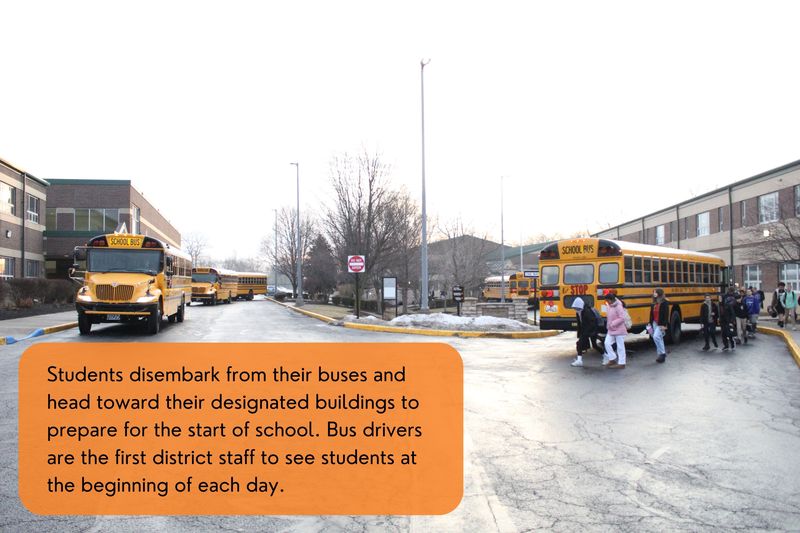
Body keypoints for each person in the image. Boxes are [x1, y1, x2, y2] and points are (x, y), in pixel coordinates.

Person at [569, 297, 600, 367]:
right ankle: (579, 360)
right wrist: (580, 334)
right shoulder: (579, 312)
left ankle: (606, 356)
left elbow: (592, 323)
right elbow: (580, 324)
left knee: (594, 345)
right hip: (585, 331)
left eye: (577, 308)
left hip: (591, 330)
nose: (575, 310)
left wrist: (588, 333)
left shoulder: (587, 312)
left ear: (580, 306)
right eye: (575, 308)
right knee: (580, 344)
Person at [603, 292, 628, 369]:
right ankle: (612, 358)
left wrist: (613, 323)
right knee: (607, 343)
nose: (606, 302)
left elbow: (622, 318)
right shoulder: (609, 306)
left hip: (619, 329)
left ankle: (622, 363)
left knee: (620, 346)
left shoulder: (618, 306)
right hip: (611, 329)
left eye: (607, 300)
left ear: (611, 300)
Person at [649, 288, 669, 363]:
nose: (654, 293)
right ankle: (660, 355)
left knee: (656, 337)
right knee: (659, 338)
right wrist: (649, 323)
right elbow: (651, 314)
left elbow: (666, 314)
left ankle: (663, 353)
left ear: (659, 293)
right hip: (654, 322)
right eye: (653, 292)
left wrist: (664, 324)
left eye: (655, 292)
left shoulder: (664, 302)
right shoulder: (654, 303)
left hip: (660, 323)